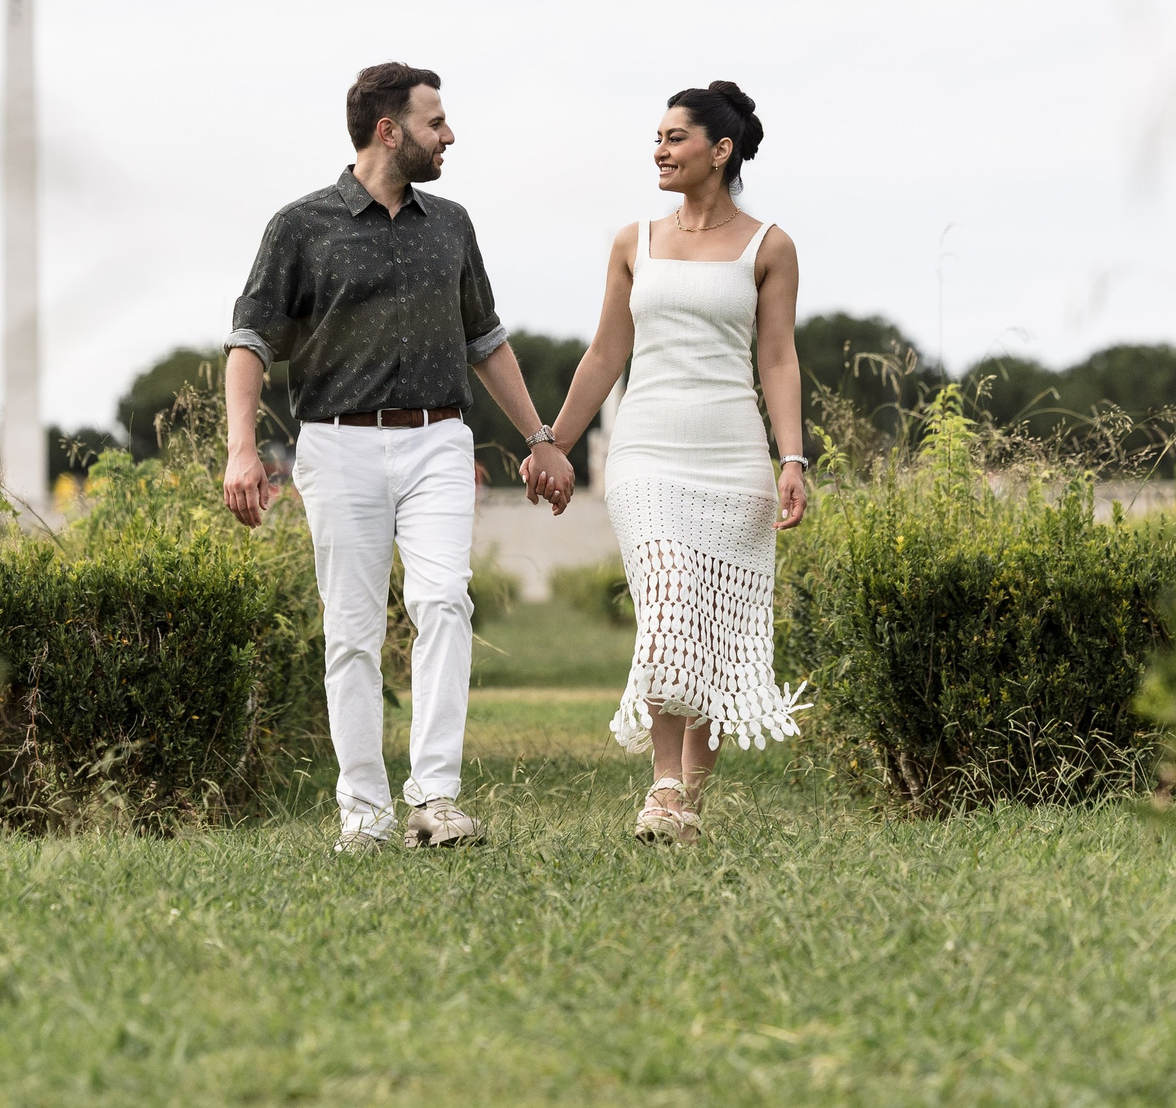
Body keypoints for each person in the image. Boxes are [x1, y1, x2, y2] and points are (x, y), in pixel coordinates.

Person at [223, 62, 577, 855]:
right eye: (435, 122)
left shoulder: (451, 224)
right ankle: (363, 815)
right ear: (390, 131)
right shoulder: (300, 226)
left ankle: (435, 799)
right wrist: (243, 449)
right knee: (351, 630)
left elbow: (486, 339)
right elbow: (250, 341)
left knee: (444, 600)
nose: (449, 135)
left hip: (439, 439)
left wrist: (541, 438)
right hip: (336, 443)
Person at [532, 81, 807, 846]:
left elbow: (778, 358)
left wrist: (792, 456)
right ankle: (662, 781)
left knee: (713, 629)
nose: (659, 149)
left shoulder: (769, 246)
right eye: (656, 136)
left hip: (734, 455)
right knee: (669, 603)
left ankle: (685, 800)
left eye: (674, 136)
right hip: (646, 452)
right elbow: (605, 353)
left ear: (720, 150)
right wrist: (553, 439)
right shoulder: (635, 241)